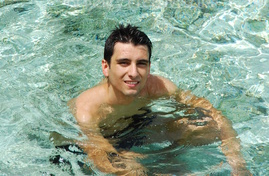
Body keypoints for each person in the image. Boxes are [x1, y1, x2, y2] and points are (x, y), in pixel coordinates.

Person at [69, 24, 251, 175]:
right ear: (106, 67)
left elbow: (213, 114)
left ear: (149, 68)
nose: (133, 73)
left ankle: (169, 159)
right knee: (133, 170)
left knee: (204, 127)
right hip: (109, 139)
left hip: (141, 124)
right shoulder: (88, 108)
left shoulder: (156, 86)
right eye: (124, 63)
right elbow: (100, 155)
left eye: (141, 64)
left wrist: (237, 163)